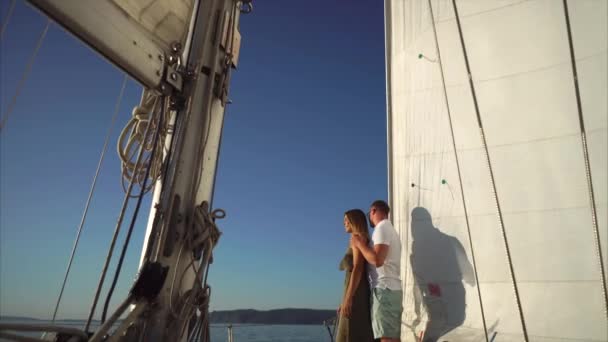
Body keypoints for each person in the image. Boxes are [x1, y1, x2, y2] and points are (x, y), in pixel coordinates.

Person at [351, 200, 402, 342]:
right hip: (391, 290)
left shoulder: (382, 227)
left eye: (369, 214)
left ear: (373, 210)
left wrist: (359, 244)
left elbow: (377, 260)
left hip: (384, 290)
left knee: (386, 338)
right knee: (392, 337)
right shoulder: (389, 228)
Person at [336, 209, 375, 342]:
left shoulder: (358, 238)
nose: (344, 223)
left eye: (347, 220)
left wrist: (348, 298)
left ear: (355, 221)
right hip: (353, 289)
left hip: (356, 291)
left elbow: (358, 268)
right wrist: (344, 300)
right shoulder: (357, 239)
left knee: (352, 330)